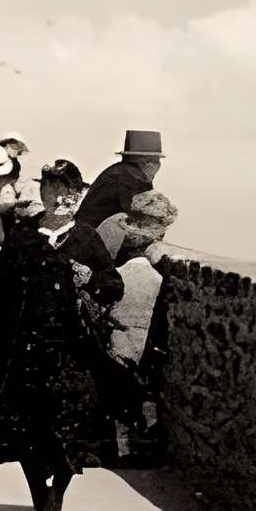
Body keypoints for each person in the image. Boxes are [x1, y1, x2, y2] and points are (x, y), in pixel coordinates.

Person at [0, 158, 121, 511]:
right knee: (25, 430)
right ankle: (42, 498)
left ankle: (58, 496)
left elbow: (113, 285)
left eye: (64, 190)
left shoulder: (86, 238)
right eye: (48, 188)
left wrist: (90, 279)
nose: (54, 196)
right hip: (23, 348)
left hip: (70, 352)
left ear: (76, 195)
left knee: (66, 430)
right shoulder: (22, 235)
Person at [95, 192, 178, 465]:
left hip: (118, 339)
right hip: (143, 342)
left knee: (120, 396)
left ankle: (122, 448)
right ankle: (142, 449)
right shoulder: (153, 276)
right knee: (143, 394)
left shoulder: (121, 270)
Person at [81, 128, 163, 234]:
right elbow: (137, 217)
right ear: (144, 161)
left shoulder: (119, 171)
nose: (158, 166)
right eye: (156, 161)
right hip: (92, 238)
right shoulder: (130, 178)